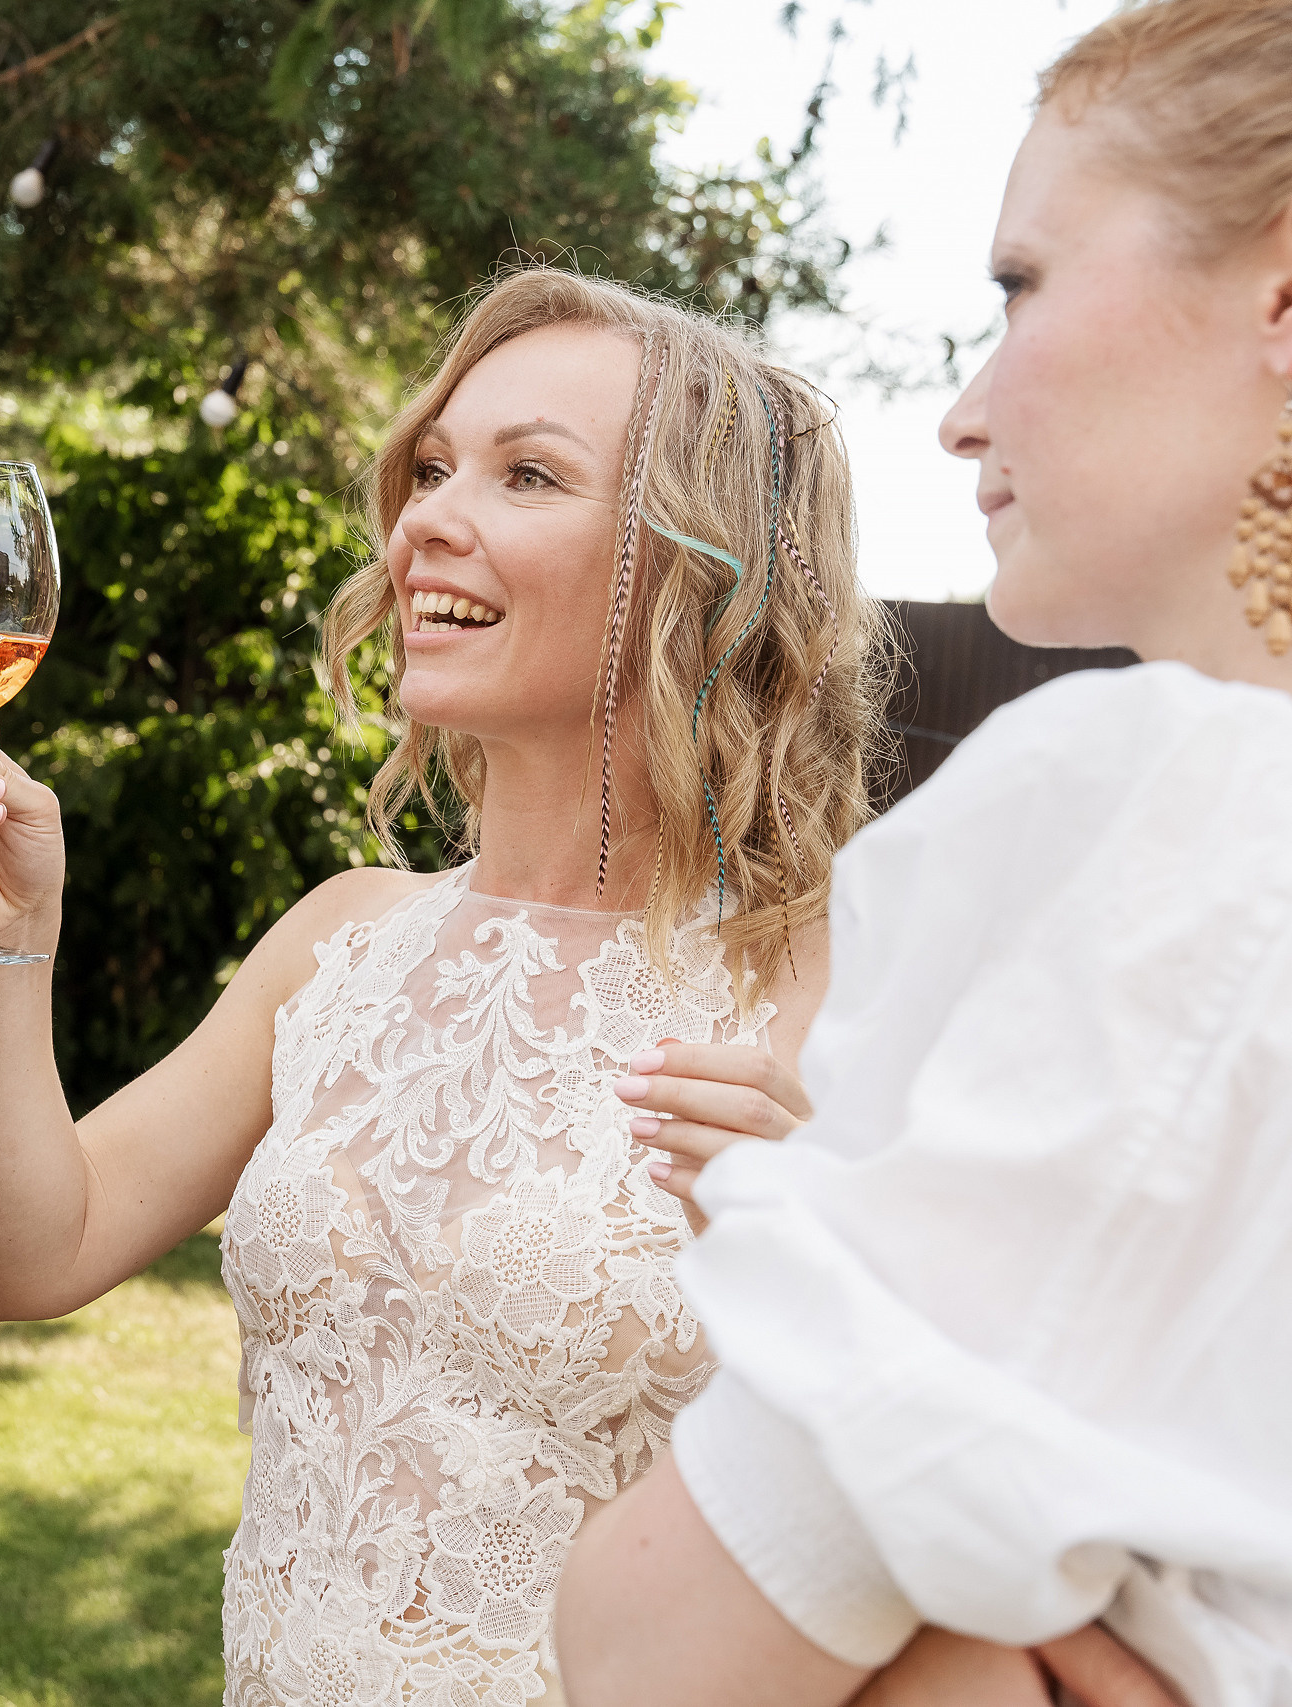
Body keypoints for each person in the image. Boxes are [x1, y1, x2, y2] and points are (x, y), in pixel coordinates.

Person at [0, 265, 894, 1701]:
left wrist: (819, 1273)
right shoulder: (342, 939)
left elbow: (950, 1516)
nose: (426, 517)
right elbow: (27, 1256)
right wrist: (4, 940)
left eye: (527, 473)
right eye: (432, 468)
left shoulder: (848, 995)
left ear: (697, 566)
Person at [553, 2, 1292, 1703]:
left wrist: (965, 1636)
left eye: (1021, 283)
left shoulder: (1193, 819)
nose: (963, 414)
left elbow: (656, 1651)